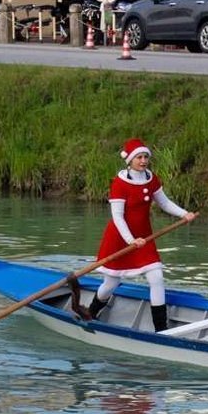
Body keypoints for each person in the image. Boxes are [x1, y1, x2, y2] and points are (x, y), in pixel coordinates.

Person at [76, 138, 196, 331]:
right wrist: (131, 240)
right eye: (139, 157)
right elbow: (117, 216)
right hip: (120, 239)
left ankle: (161, 330)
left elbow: (164, 203)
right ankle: (91, 312)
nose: (143, 161)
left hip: (144, 238)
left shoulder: (151, 177)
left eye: (145, 157)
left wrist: (184, 213)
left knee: (156, 277)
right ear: (129, 160)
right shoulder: (119, 183)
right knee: (111, 283)